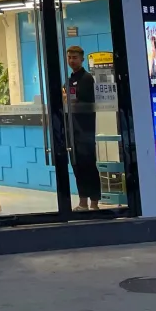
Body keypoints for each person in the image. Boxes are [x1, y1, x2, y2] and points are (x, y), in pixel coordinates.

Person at [64, 47, 101, 211]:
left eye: (75, 57)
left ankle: (94, 203)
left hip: (85, 131)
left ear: (82, 59)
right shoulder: (69, 80)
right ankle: (82, 202)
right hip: (73, 130)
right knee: (77, 166)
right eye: (69, 57)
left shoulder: (87, 79)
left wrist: (69, 99)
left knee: (89, 166)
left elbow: (81, 101)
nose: (72, 60)